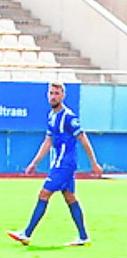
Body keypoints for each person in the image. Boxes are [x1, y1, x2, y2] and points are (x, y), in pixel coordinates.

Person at [6, 82, 103, 247]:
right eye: (51, 93)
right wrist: (34, 163)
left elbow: (83, 139)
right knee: (70, 197)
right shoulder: (51, 116)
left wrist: (94, 163)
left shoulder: (68, 117)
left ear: (63, 96)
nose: (53, 96)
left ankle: (27, 233)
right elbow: (48, 141)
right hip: (59, 162)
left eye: (57, 93)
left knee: (44, 194)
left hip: (65, 164)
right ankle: (83, 236)